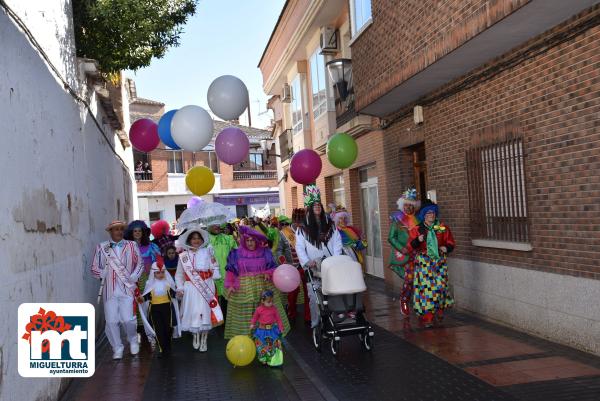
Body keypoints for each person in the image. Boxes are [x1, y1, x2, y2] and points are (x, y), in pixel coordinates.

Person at [224, 226, 291, 339]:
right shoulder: (236, 253)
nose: (250, 243)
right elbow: (231, 271)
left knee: (265, 311)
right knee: (245, 315)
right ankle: (246, 337)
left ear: (257, 241)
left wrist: (267, 273)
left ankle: (266, 336)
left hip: (262, 287)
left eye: (252, 240)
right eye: (248, 240)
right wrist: (230, 285)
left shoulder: (265, 252)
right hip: (243, 290)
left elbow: (273, 267)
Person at [90, 220, 143, 359]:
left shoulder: (132, 245)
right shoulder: (102, 248)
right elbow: (94, 268)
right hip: (110, 290)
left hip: (127, 289)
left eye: (121, 229)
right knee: (111, 321)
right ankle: (117, 347)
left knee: (129, 320)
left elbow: (140, 264)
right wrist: (101, 273)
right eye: (115, 229)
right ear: (110, 232)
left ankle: (132, 341)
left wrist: (134, 276)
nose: (119, 232)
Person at [295, 185, 343, 328]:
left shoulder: (330, 225)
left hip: (330, 265)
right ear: (309, 209)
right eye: (314, 205)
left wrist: (336, 258)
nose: (317, 207)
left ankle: (334, 318)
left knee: (333, 292)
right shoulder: (302, 228)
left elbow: (337, 243)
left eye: (319, 205)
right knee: (314, 297)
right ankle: (316, 323)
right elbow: (299, 247)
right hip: (313, 267)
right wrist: (306, 261)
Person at [175, 226, 223, 352]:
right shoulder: (184, 256)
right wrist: (180, 287)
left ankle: (204, 339)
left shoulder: (208, 252)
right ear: (189, 240)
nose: (196, 240)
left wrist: (213, 260)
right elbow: (179, 274)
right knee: (194, 313)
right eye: (193, 238)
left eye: (198, 238)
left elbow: (215, 272)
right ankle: (195, 336)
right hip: (191, 288)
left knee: (205, 312)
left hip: (206, 285)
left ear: (202, 240)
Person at [409, 201, 455, 327]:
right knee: (428, 290)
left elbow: (451, 243)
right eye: (428, 213)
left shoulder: (442, 227)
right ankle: (428, 317)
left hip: (439, 261)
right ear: (424, 215)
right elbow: (411, 246)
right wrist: (417, 240)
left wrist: (447, 247)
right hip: (424, 262)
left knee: (440, 287)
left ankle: (440, 309)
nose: (431, 215)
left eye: (433, 212)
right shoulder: (417, 229)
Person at [136, 255, 180, 358]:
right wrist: (141, 299)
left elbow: (174, 295)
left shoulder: (168, 284)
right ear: (153, 273)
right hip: (155, 310)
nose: (160, 275)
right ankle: (162, 349)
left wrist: (178, 294)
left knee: (168, 329)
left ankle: (168, 347)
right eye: (157, 273)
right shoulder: (149, 284)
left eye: (162, 272)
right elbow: (146, 296)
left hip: (168, 309)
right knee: (159, 330)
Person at [388, 188, 421, 316]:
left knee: (420, 279)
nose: (408, 207)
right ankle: (404, 301)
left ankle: (419, 304)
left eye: (410, 205)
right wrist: (401, 248)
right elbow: (391, 237)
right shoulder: (398, 220)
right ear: (402, 206)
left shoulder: (419, 221)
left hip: (418, 254)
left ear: (414, 207)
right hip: (405, 253)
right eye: (405, 205)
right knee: (409, 279)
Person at [279, 215, 310, 323]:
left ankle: (308, 315)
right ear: (293, 221)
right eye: (298, 221)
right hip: (292, 267)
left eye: (301, 221)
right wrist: (284, 263)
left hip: (305, 265)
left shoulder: (306, 231)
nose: (300, 224)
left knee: (309, 291)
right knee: (292, 293)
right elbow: (279, 250)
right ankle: (291, 312)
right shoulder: (283, 233)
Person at [125, 220, 161, 297]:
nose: (137, 233)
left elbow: (158, 262)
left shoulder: (151, 246)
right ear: (132, 233)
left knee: (149, 298)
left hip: (149, 277)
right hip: (133, 278)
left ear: (143, 232)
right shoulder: (127, 247)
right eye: (135, 231)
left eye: (139, 231)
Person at [207, 223, 237, 315]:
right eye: (213, 223)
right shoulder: (204, 240)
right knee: (212, 303)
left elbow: (236, 255)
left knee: (226, 303)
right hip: (211, 277)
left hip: (227, 277)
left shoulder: (228, 238)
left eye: (218, 223)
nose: (217, 225)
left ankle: (225, 325)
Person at [250, 290, 284, 367]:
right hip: (261, 330)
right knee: (261, 345)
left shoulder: (274, 309)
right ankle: (263, 359)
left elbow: (278, 319)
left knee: (272, 345)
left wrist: (280, 327)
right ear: (262, 301)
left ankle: (271, 358)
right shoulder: (259, 309)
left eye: (272, 301)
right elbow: (254, 318)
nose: (271, 303)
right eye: (269, 302)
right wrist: (252, 324)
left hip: (272, 330)